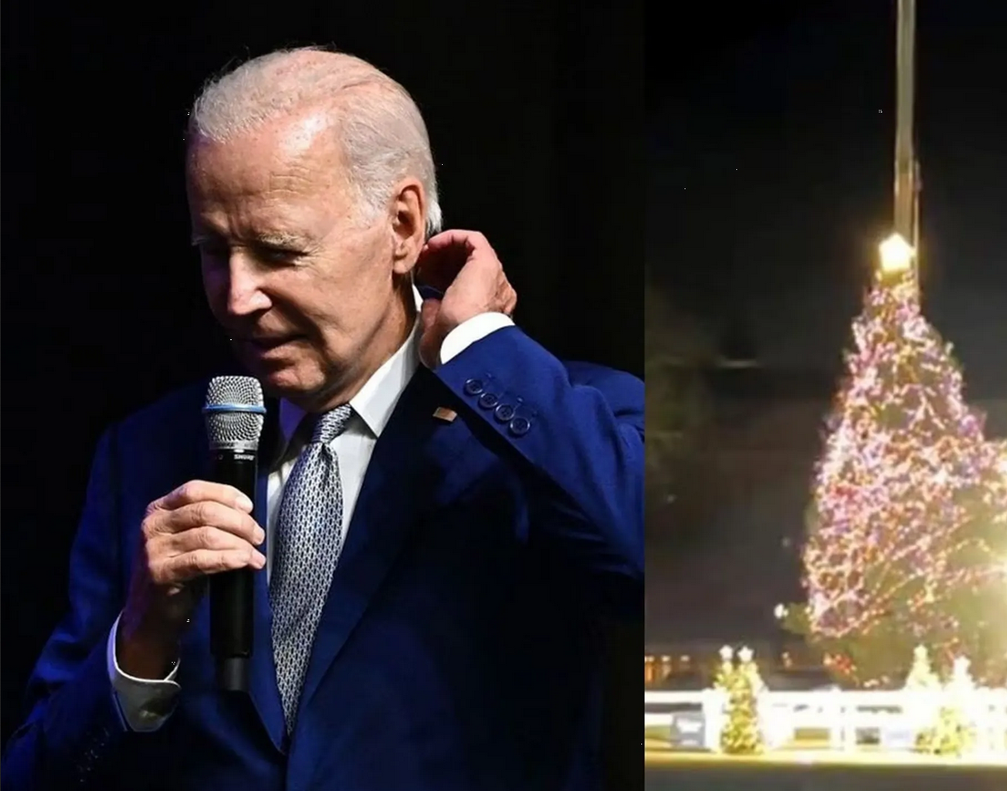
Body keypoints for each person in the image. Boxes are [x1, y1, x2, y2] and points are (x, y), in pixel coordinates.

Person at [1, 46, 643, 791]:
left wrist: (477, 349)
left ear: (402, 225)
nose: (237, 297)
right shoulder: (144, 453)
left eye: (278, 251)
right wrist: (140, 640)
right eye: (214, 251)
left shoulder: (549, 420)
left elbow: (640, 563)